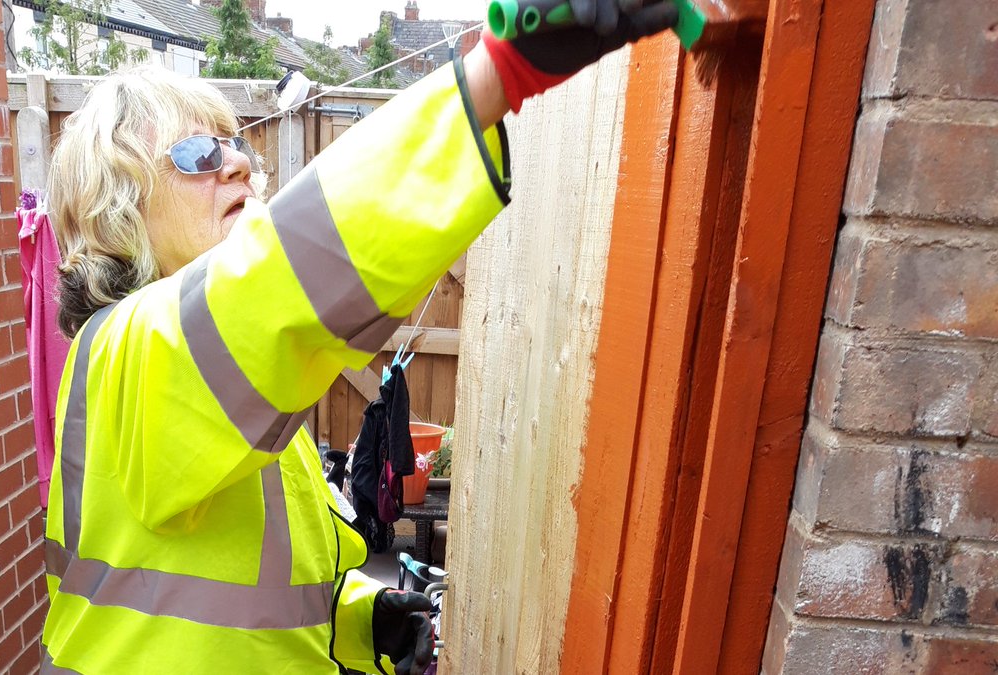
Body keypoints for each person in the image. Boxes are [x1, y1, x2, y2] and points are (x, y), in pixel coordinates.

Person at [39, 1, 678, 673]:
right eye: (196, 153)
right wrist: (496, 77)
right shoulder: (130, 354)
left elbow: (237, 591)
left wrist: (360, 623)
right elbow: (286, 273)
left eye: (236, 145)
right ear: (118, 209)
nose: (236, 165)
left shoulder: (220, 383)